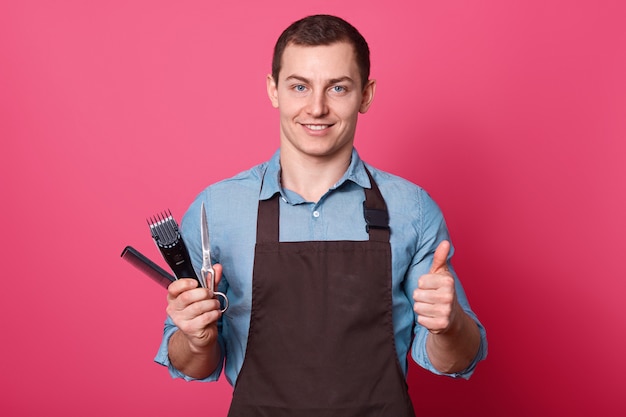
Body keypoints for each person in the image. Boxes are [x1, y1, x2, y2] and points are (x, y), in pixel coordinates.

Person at [155, 14, 487, 416]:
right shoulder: (216, 210)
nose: (317, 108)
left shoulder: (412, 209)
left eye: (338, 88)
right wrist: (195, 339)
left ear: (365, 94)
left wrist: (449, 325)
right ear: (273, 89)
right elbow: (193, 363)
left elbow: (456, 359)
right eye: (299, 86)